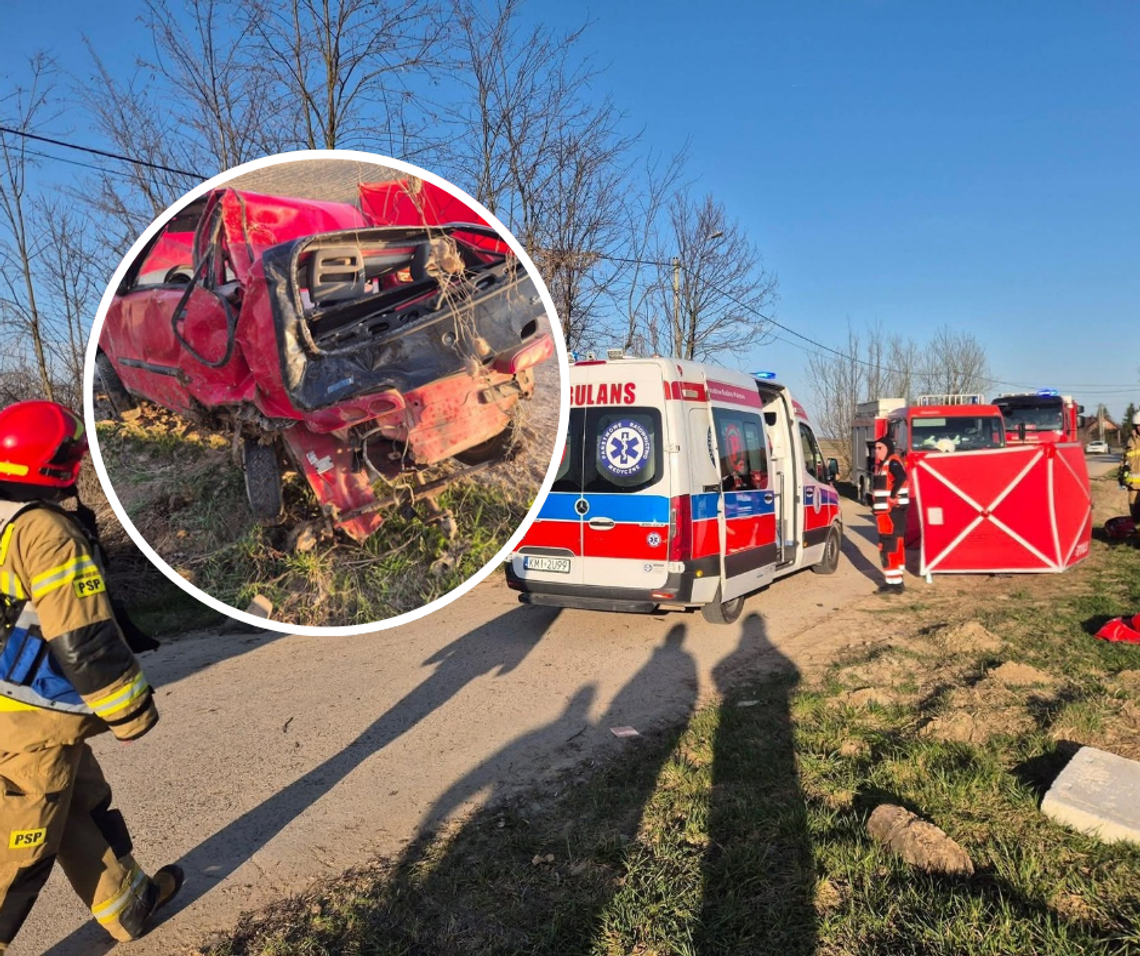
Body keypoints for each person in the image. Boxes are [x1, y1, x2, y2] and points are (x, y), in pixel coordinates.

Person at [0, 400, 182, 951]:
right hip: (30, 721)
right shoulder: (45, 531)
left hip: (33, 714)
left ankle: (130, 904)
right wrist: (130, 712)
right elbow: (82, 635)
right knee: (21, 846)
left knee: (81, 806)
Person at [871, 435, 909, 594]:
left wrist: (893, 495)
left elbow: (901, 477)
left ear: (888, 449)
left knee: (889, 547)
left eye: (880, 448)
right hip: (888, 514)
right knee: (893, 546)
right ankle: (896, 582)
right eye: (875, 448)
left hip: (890, 514)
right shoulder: (885, 464)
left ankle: (893, 584)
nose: (877, 451)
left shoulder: (891, 462)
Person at [1118, 412, 1140, 523]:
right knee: (1134, 510)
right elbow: (1125, 458)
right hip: (1133, 485)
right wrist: (1122, 472)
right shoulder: (1130, 440)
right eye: (1138, 425)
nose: (1139, 427)